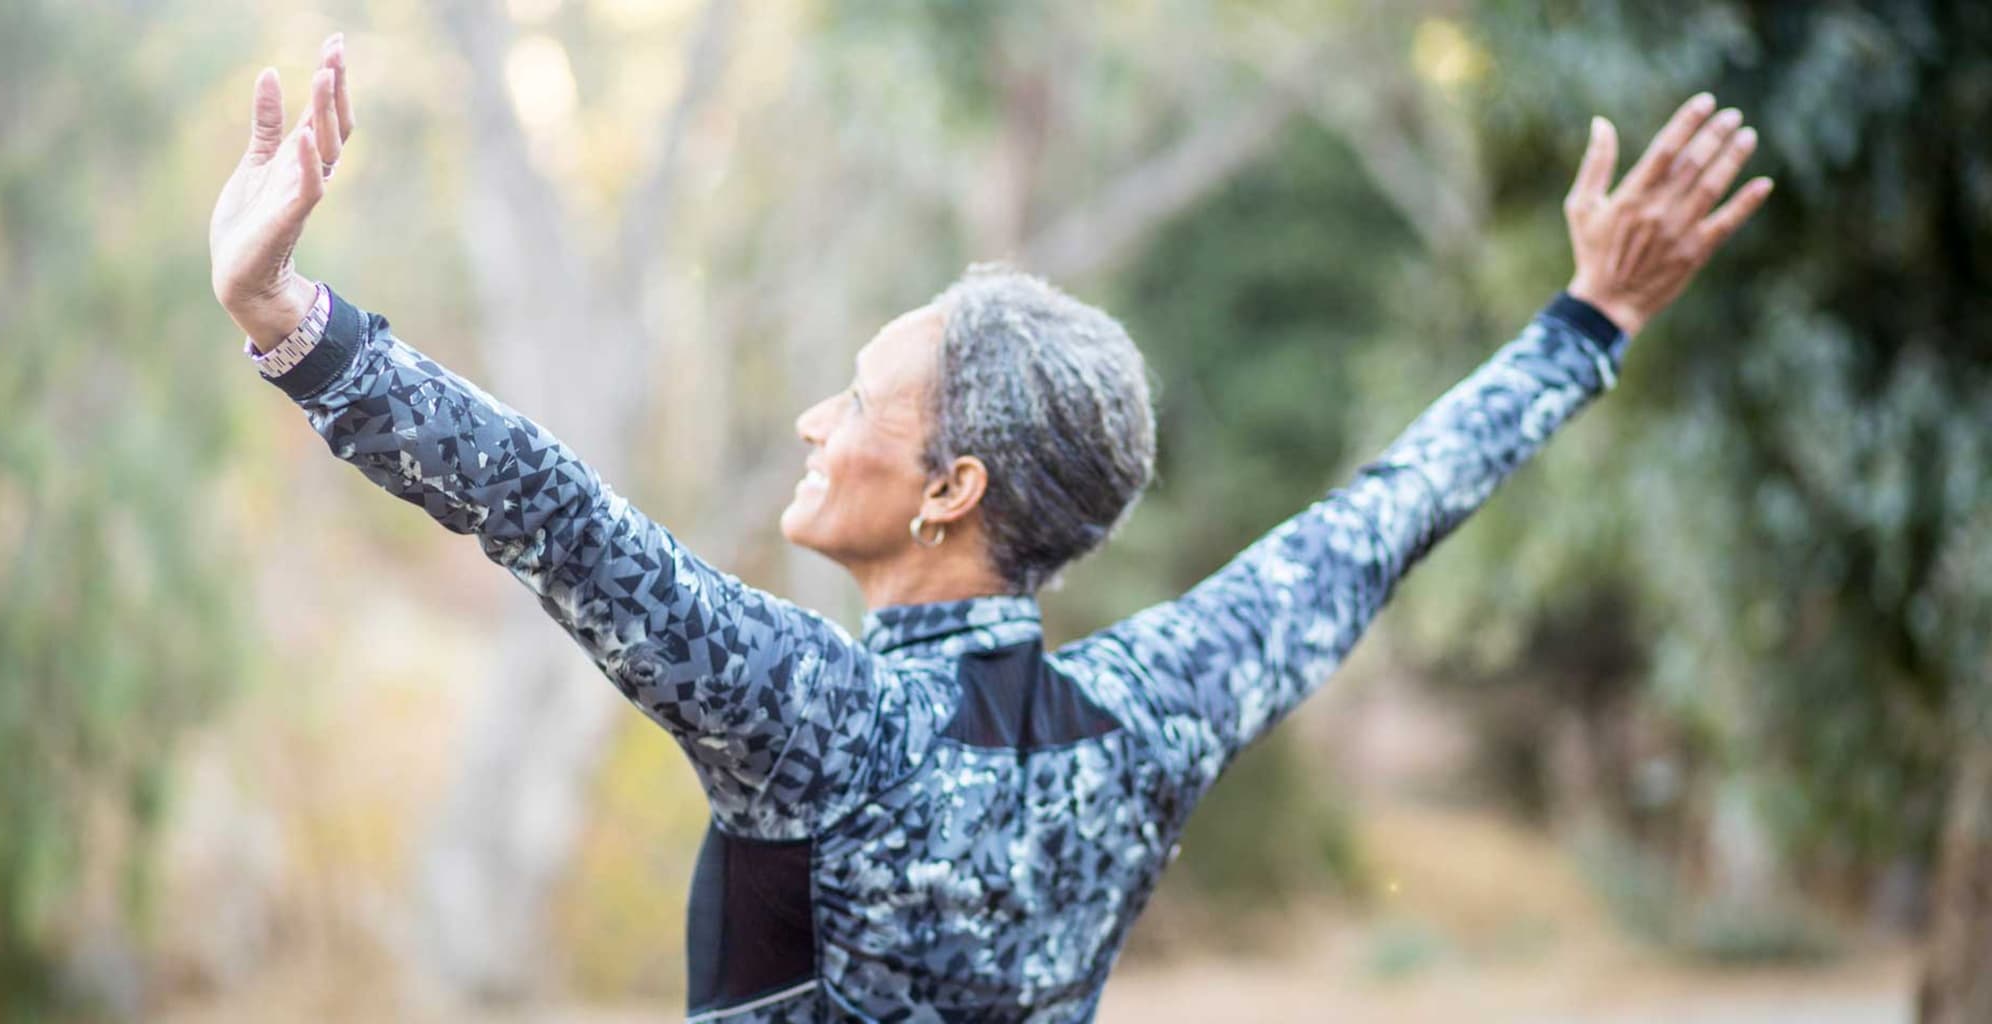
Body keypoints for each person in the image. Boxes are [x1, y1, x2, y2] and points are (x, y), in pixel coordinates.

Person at [210, 33, 1771, 1024]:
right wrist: (1586, 321)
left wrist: (288, 316)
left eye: (859, 399)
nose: (818, 424)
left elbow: (553, 515)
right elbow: (1378, 528)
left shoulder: (819, 720)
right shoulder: (1159, 708)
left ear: (955, 488)